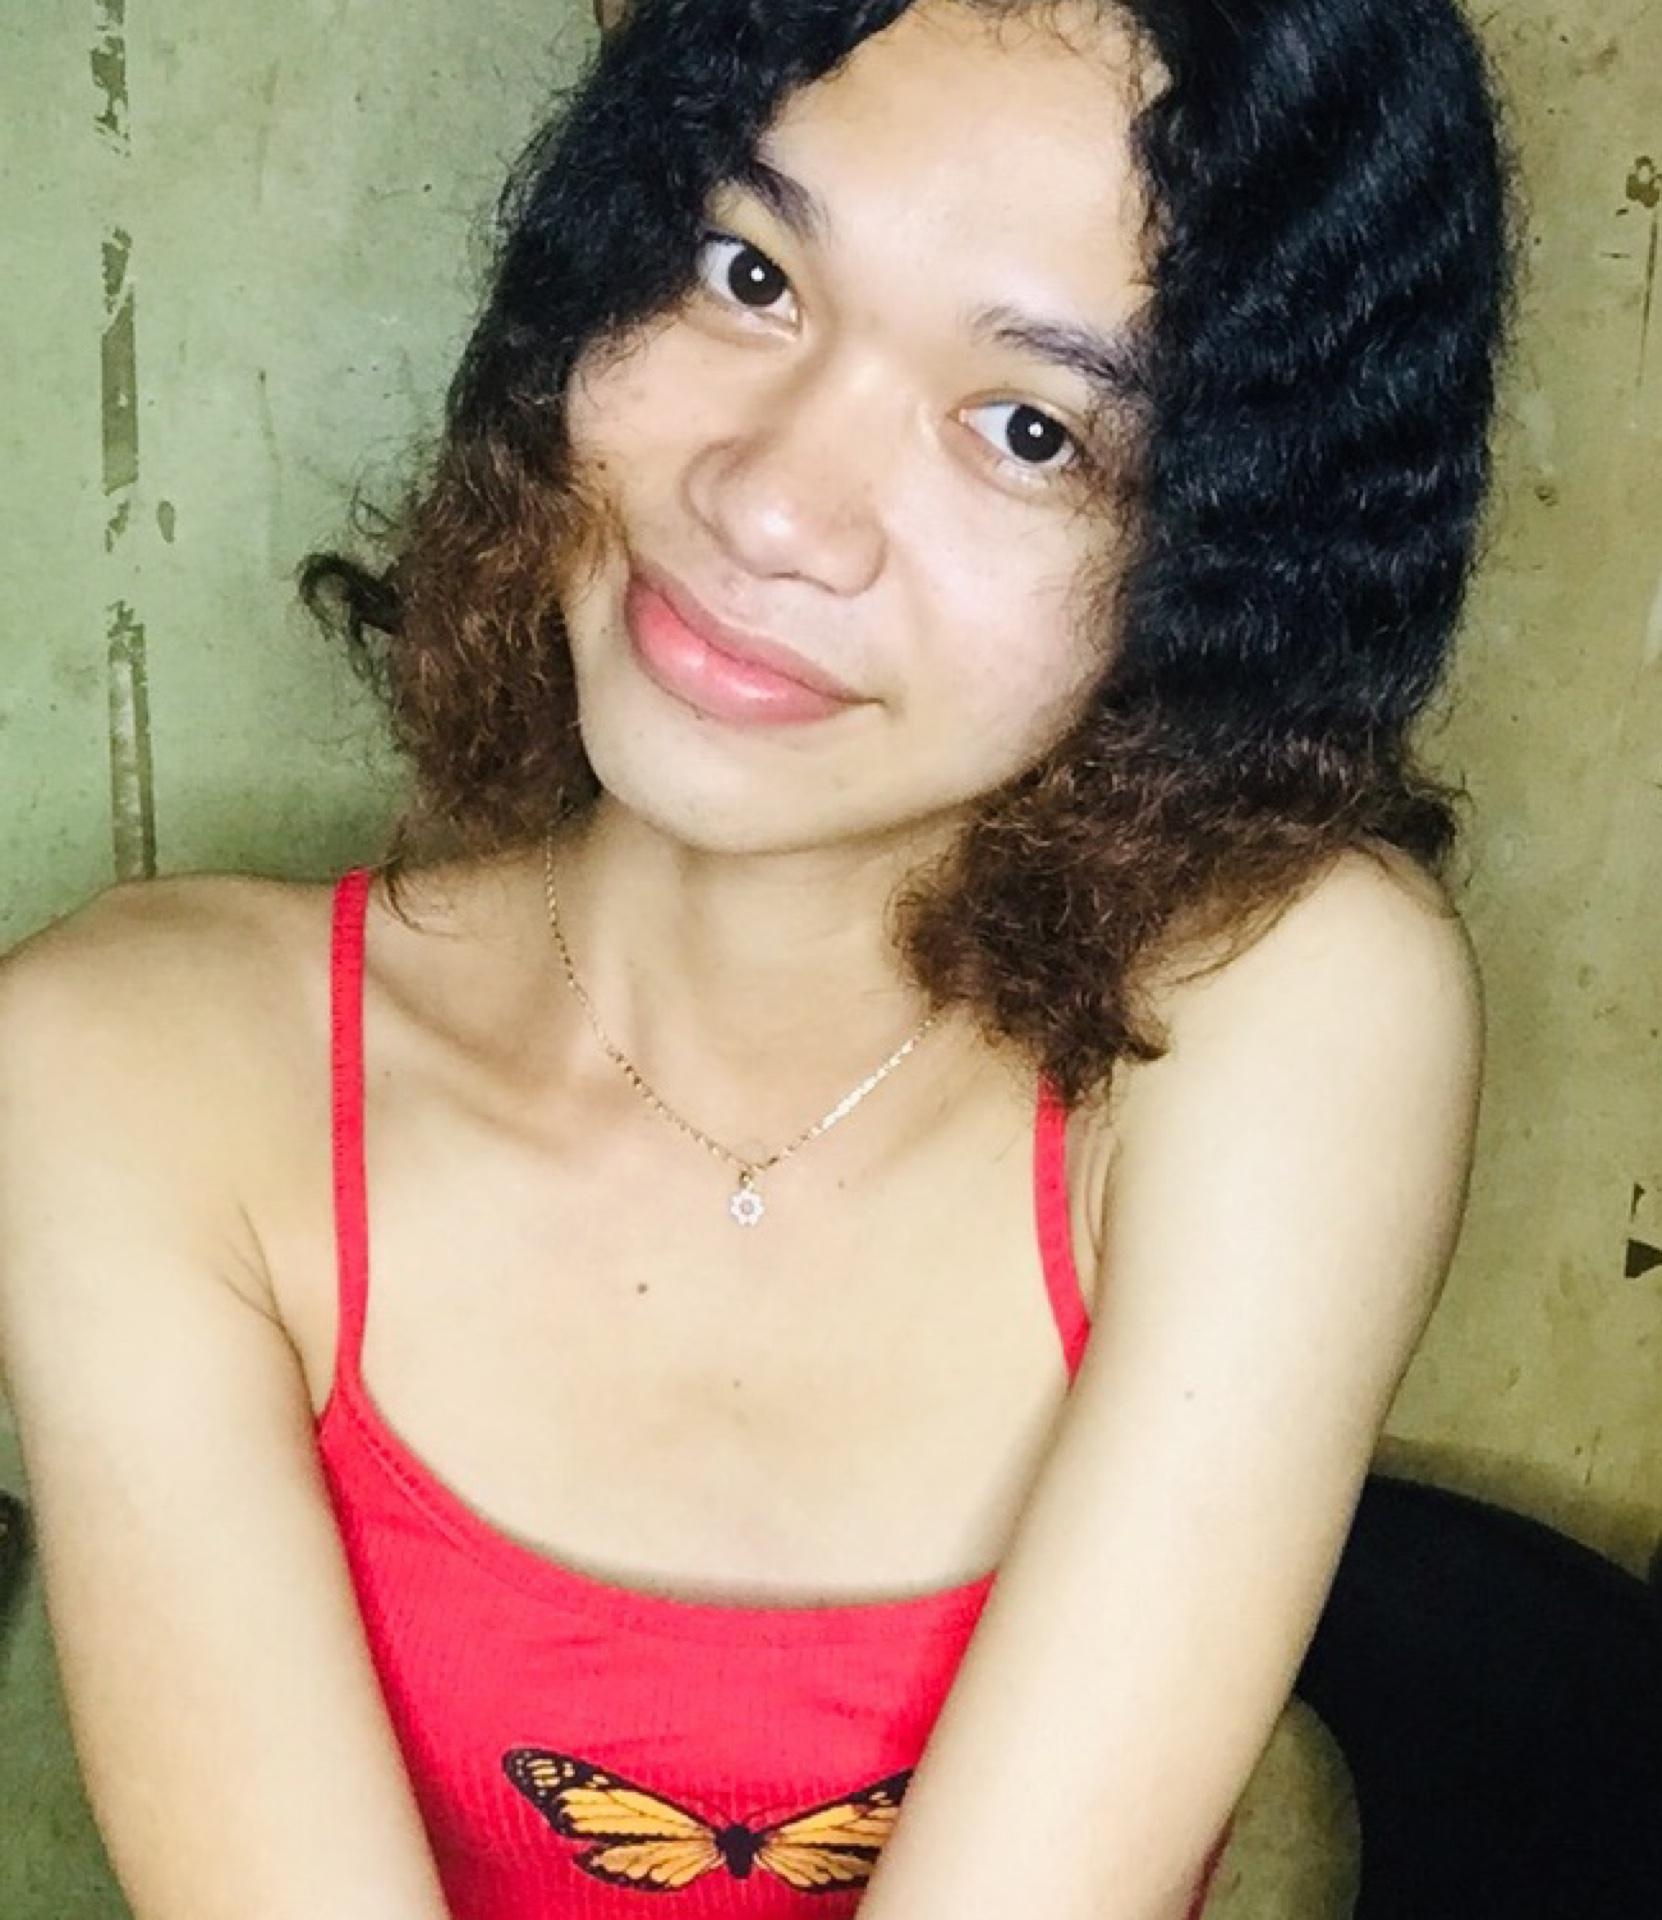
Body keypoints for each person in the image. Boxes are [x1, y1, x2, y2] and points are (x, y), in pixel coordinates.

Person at [0, 1, 1515, 1915]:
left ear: (1235, 558)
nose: (770, 504)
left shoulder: (1280, 1011)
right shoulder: (125, 1074)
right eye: (748, 273)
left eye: (1029, 429)